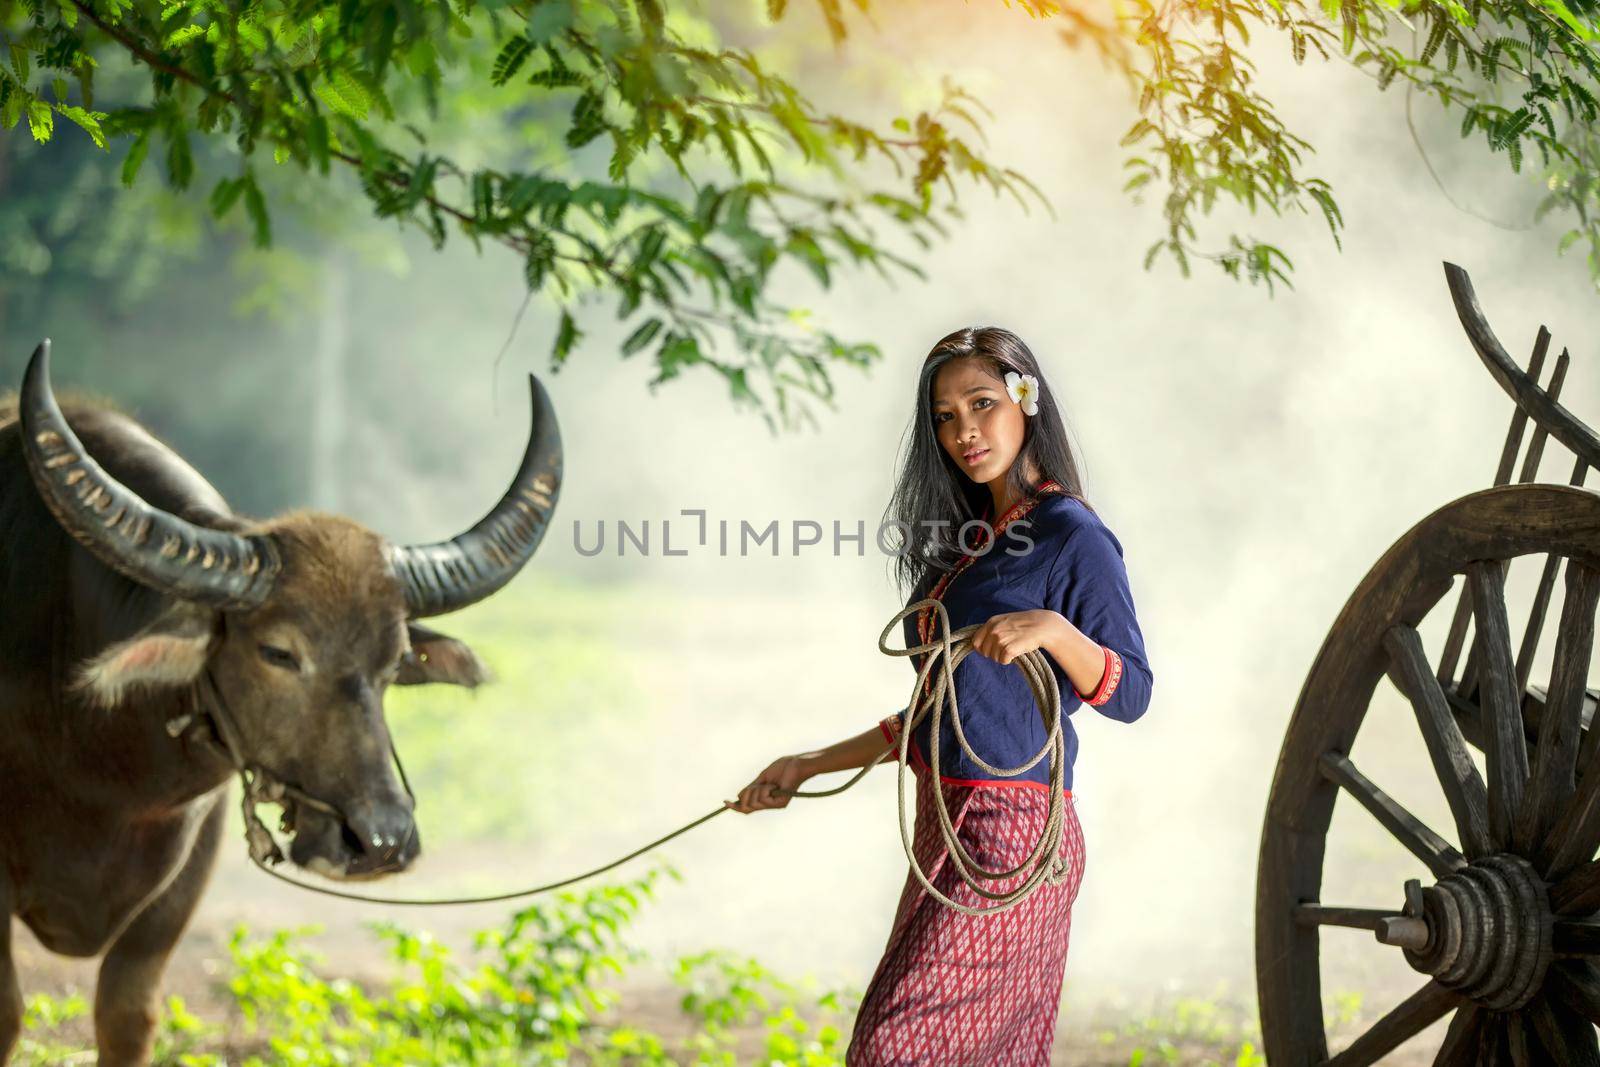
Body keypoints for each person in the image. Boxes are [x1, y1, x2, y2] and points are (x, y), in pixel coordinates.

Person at [726, 326, 1154, 1066]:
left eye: (983, 403)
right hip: (947, 822)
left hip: (1017, 836)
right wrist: (805, 763)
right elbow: (936, 717)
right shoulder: (967, 544)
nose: (965, 431)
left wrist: (1053, 629)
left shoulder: (1070, 534)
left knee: (891, 1049)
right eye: (946, 416)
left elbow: (1132, 692)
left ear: (1027, 400)